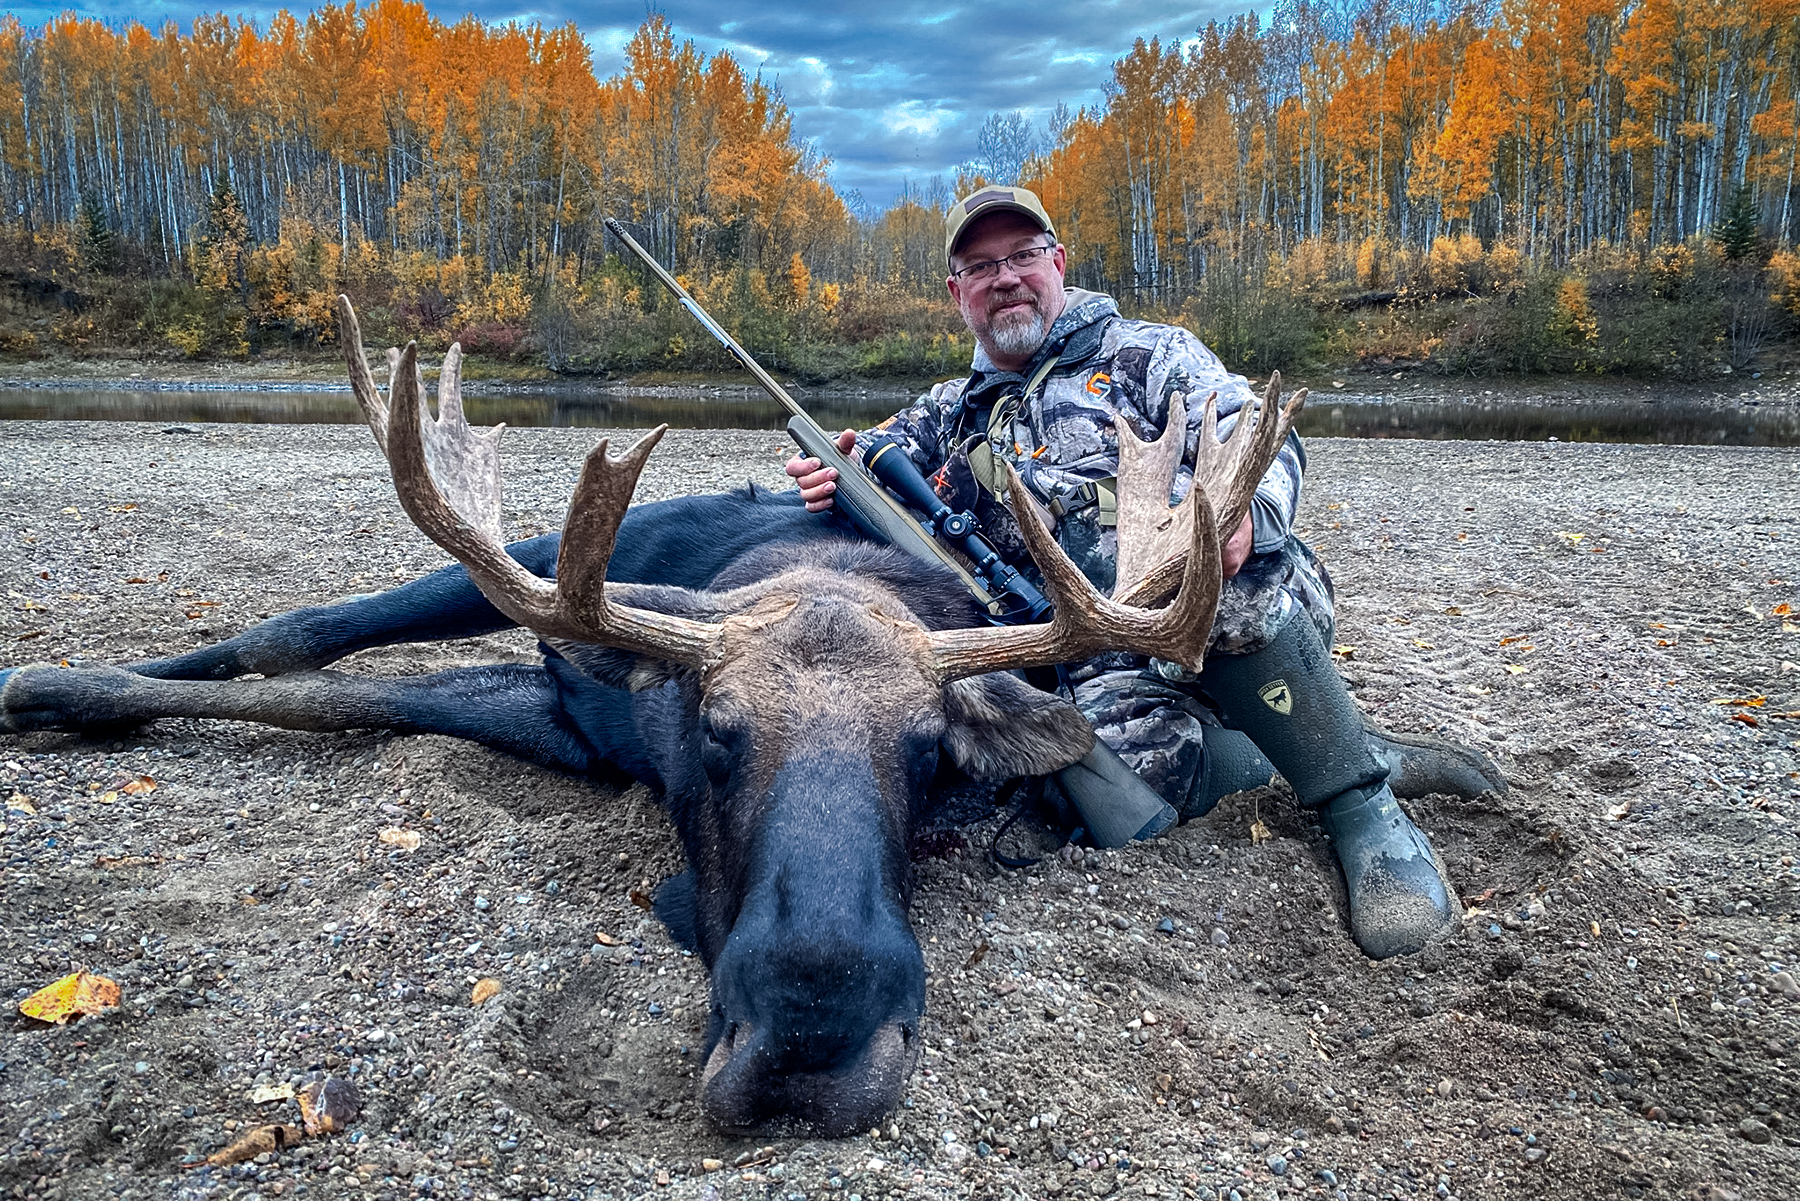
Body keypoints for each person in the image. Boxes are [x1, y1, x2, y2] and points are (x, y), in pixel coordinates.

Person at [785, 186, 1500, 958]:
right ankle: (1330, 740)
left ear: (1057, 262)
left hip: (1217, 608)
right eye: (982, 266)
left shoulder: (1151, 354)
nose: (1007, 278)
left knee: (1225, 588)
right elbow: (861, 460)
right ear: (958, 292)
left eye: (1023, 256)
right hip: (1094, 653)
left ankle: (1362, 807)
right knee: (1110, 779)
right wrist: (836, 473)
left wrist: (1242, 516)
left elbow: (1258, 434)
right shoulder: (945, 413)